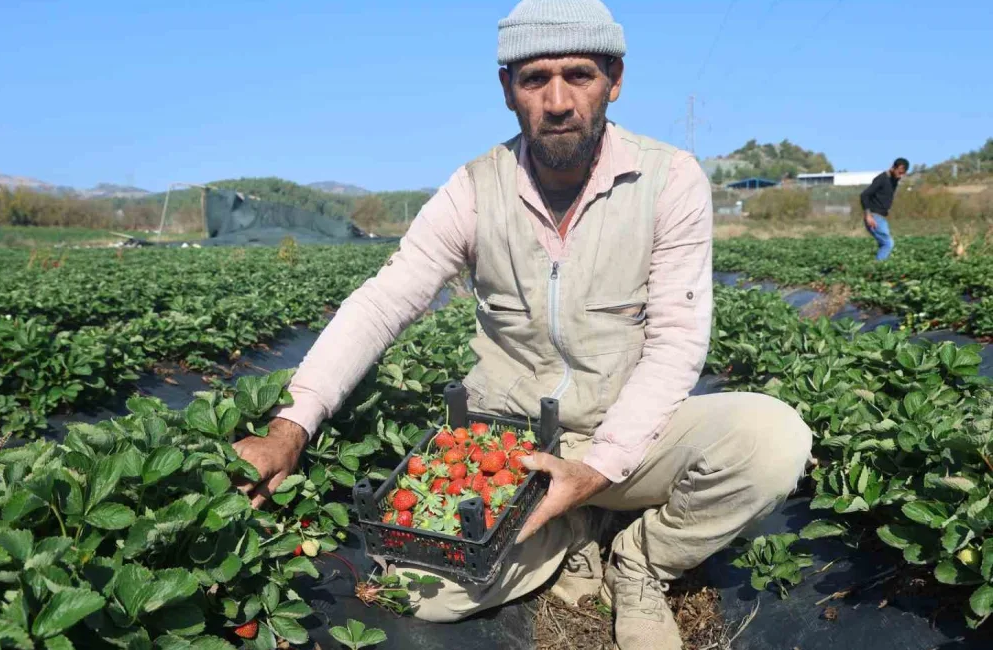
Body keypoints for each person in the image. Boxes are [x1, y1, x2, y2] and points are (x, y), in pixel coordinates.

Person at [232, 1, 812, 648]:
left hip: (634, 435)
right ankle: (569, 531)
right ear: (508, 90)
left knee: (772, 440)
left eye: (580, 75)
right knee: (420, 597)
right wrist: (291, 427)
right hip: (511, 448)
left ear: (615, 80)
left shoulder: (667, 180)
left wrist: (596, 468)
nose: (558, 100)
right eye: (535, 79)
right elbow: (385, 299)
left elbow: (678, 341)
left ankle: (641, 563)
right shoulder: (475, 189)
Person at [860, 158, 909, 260]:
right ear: (893, 167)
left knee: (884, 244)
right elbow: (864, 195)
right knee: (888, 243)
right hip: (874, 216)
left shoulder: (894, 180)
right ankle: (878, 268)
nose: (901, 176)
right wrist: (868, 215)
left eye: (903, 174)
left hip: (882, 217)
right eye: (899, 172)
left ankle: (878, 266)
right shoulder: (881, 179)